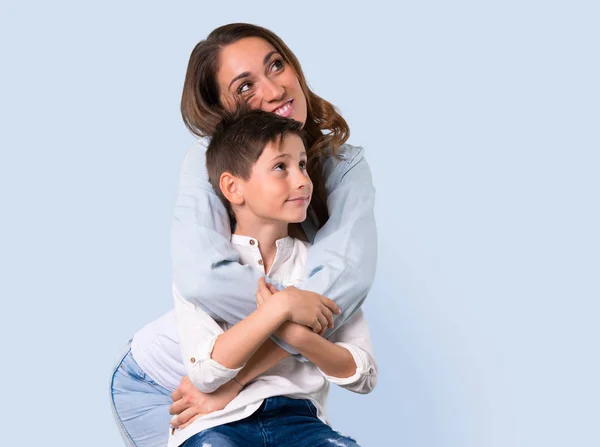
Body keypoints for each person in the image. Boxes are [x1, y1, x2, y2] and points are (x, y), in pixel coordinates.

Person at [110, 23, 377, 447]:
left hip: (251, 383)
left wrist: (243, 373)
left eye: (276, 65)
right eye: (246, 86)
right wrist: (291, 307)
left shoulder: (342, 168)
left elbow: (340, 292)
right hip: (164, 378)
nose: (273, 90)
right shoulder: (208, 163)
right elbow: (205, 280)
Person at [171, 109, 376, 446]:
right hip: (217, 424)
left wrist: (297, 337)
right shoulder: (203, 269)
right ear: (233, 187)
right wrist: (280, 308)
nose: (302, 180)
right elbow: (206, 375)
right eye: (281, 167)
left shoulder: (319, 267)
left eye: (303, 165)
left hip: (302, 423)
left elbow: (363, 374)